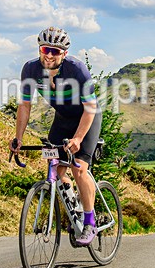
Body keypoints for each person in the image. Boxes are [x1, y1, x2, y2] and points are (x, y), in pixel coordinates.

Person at [10, 26, 102, 246]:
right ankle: (73, 207)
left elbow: (90, 107)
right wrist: (18, 138)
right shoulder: (30, 70)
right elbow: (24, 105)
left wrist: (78, 139)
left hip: (86, 117)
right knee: (56, 168)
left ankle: (90, 221)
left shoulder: (77, 70)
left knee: (79, 168)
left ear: (64, 54)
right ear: (40, 49)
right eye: (45, 49)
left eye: (55, 51)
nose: (49, 55)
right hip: (62, 119)